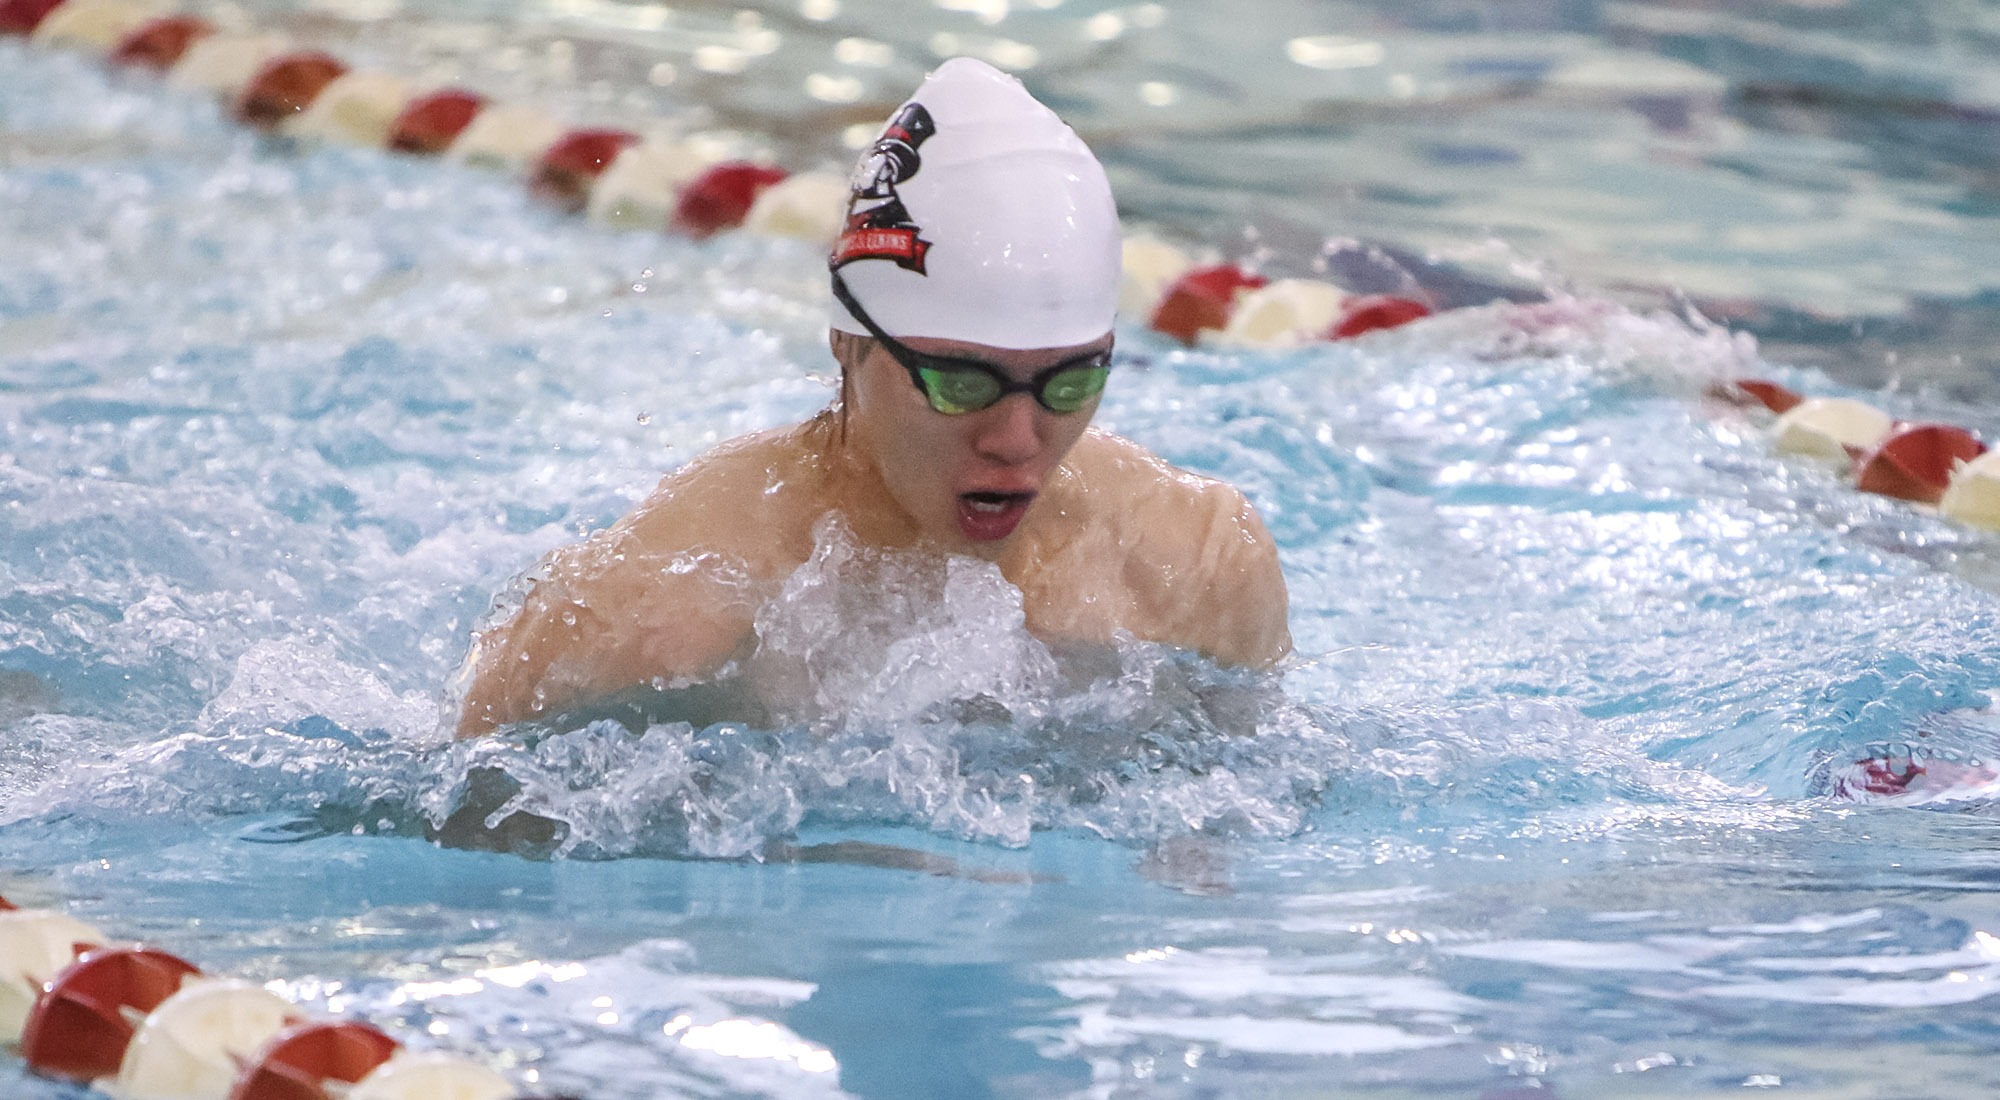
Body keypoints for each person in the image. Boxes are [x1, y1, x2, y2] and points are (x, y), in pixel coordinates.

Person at [453, 57, 1290, 738]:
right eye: (963, 383)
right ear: (848, 344)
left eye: (1070, 381)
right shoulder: (659, 612)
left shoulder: (1200, 564)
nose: (1017, 439)